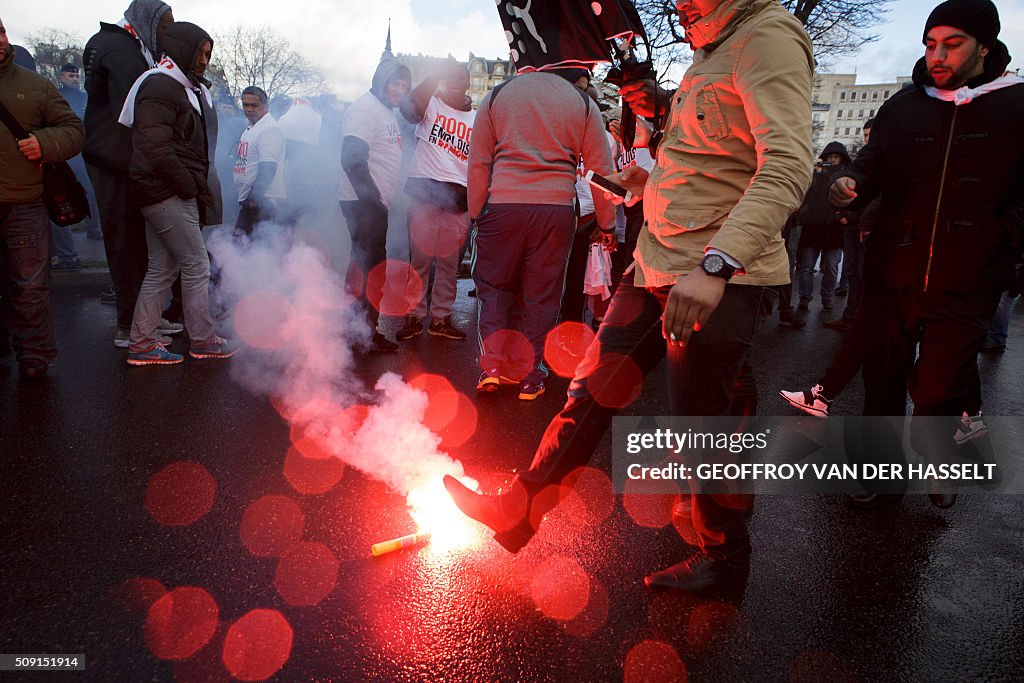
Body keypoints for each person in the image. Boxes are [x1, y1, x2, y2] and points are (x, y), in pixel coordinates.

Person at [446, 0, 813, 591]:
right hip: (655, 264)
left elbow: (789, 166)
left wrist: (718, 265)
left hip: (714, 274)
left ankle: (725, 561)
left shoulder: (768, 38)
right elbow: (707, 158)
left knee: (701, 424)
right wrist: (646, 182)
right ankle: (517, 509)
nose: (677, 4)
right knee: (589, 393)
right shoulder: (709, 51)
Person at [829, 0, 1023, 509]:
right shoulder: (904, 104)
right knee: (883, 380)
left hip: (969, 276)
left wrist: (1003, 234)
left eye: (952, 43)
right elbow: (872, 162)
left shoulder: (1016, 104)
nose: (937, 54)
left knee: (940, 387)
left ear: (984, 45)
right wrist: (850, 182)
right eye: (930, 43)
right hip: (895, 266)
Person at [468, 67, 615, 400]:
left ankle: (491, 368)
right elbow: (600, 172)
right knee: (542, 295)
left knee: (493, 289)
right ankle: (530, 376)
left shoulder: (498, 95)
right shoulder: (582, 102)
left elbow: (478, 162)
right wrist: (606, 223)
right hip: (555, 210)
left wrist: (477, 212)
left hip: (502, 206)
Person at [119, 21, 233, 366]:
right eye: (201, 52)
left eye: (208, 54)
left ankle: (141, 343)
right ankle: (203, 339)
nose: (204, 61)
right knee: (197, 265)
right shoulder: (161, 86)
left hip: (162, 190)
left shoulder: (179, 85)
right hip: (166, 191)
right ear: (184, 48)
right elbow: (155, 148)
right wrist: (188, 186)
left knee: (162, 269)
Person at [83, 0, 182, 349]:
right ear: (148, 22)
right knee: (126, 243)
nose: (168, 35)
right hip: (115, 162)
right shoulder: (120, 49)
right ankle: (130, 324)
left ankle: (146, 316)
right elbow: (135, 114)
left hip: (125, 160)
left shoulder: (131, 46)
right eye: (165, 27)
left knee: (141, 243)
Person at [0, 16, 85, 379]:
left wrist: (45, 144)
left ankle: (34, 356)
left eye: (1, 31)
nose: (0, 40)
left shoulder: (34, 85)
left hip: (24, 202)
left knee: (31, 285)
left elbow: (74, 130)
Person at [394, 63, 474, 343]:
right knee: (420, 262)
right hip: (425, 194)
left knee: (449, 266)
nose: (455, 83)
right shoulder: (431, 105)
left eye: (461, 78)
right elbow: (407, 109)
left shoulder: (477, 118)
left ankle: (440, 319)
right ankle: (414, 316)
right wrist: (431, 77)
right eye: (450, 77)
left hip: (459, 201)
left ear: (468, 84)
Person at [339, 58, 411, 353]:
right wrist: (374, 203)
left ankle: (363, 332)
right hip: (363, 203)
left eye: (405, 86)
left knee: (367, 269)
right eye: (395, 82)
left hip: (372, 203)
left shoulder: (385, 111)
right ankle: (360, 337)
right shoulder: (364, 109)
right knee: (368, 270)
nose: (400, 90)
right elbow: (351, 160)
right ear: (380, 79)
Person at [796, 142, 854, 313]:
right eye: (830, 158)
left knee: (831, 267)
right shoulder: (816, 176)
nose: (833, 160)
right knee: (807, 267)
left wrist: (844, 217)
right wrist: (816, 175)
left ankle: (827, 297)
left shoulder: (847, 177)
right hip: (813, 227)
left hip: (834, 230)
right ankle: (804, 297)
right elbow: (806, 197)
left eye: (836, 158)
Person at [233, 86, 286, 236]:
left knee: (243, 247)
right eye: (245, 105)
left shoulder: (269, 129)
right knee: (245, 248)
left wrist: (254, 198)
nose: (249, 109)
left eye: (254, 105)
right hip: (251, 199)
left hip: (262, 201)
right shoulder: (251, 127)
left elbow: (268, 166)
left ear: (266, 106)